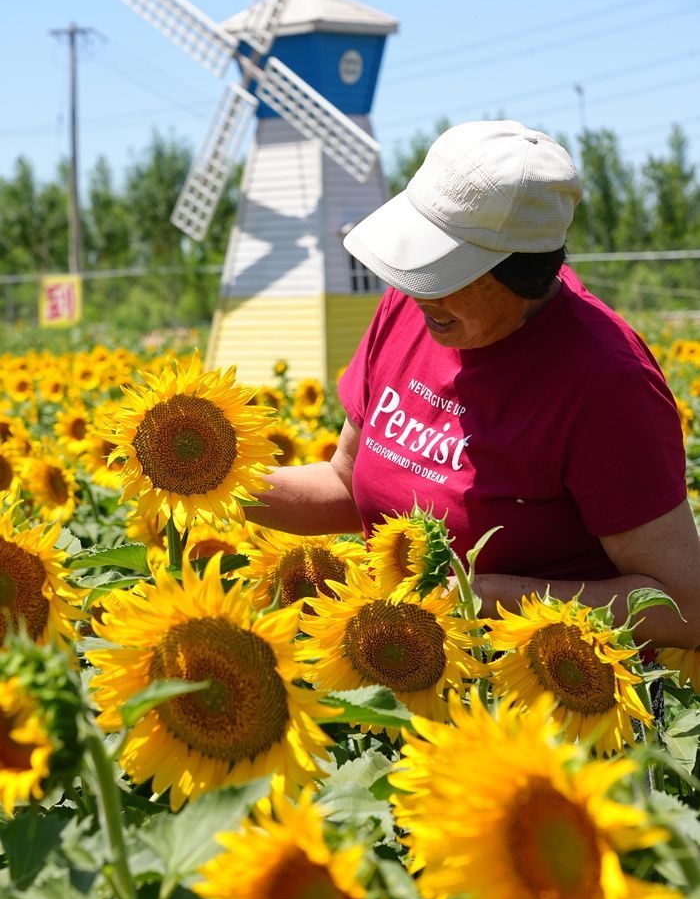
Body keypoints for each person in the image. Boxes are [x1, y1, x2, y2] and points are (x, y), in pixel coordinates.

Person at [250, 119, 700, 648]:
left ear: (522, 271)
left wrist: (484, 597)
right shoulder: (411, 308)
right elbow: (347, 484)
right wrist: (216, 481)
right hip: (403, 663)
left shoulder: (605, 383)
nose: (419, 292)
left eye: (443, 273)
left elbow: (683, 606)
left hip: (537, 696)